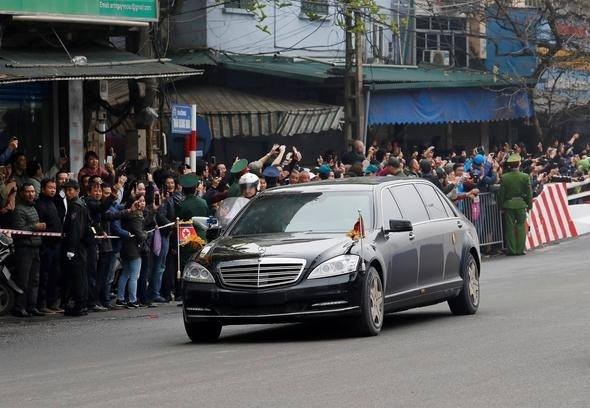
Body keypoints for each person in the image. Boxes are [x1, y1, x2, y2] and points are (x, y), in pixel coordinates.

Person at [11, 183, 45, 317]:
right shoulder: (19, 210)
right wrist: (35, 227)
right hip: (24, 249)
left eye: (32, 191)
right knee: (23, 280)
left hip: (35, 247)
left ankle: (31, 306)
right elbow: (19, 230)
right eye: (28, 192)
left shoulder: (33, 208)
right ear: (22, 193)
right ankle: (20, 307)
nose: (31, 194)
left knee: (34, 280)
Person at [61, 180, 92, 316]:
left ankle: (79, 305)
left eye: (70, 190)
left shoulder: (76, 206)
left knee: (77, 277)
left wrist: (71, 249)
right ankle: (81, 304)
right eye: (66, 190)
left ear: (77, 190)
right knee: (80, 276)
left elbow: (75, 229)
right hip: (80, 247)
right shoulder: (80, 204)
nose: (68, 193)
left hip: (76, 247)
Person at [35, 178, 63, 313]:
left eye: (54, 188)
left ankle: (52, 303)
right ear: (43, 188)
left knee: (55, 275)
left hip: (56, 245)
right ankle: (41, 304)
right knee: (44, 276)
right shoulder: (40, 204)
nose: (53, 190)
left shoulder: (53, 202)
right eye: (50, 187)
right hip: (46, 245)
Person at [116, 194, 147, 308]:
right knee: (135, 275)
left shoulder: (128, 214)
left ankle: (120, 298)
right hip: (134, 249)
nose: (142, 203)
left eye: (143, 201)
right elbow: (140, 234)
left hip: (126, 247)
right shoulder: (136, 216)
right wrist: (146, 234)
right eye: (139, 201)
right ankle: (132, 300)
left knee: (126, 273)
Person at [499, 153, 532, 256]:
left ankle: (512, 250)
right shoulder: (525, 176)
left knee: (509, 228)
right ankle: (520, 249)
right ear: (519, 164)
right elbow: (529, 192)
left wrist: (501, 205)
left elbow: (501, 194)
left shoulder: (504, 177)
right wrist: (529, 205)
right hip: (521, 204)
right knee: (521, 226)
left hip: (508, 204)